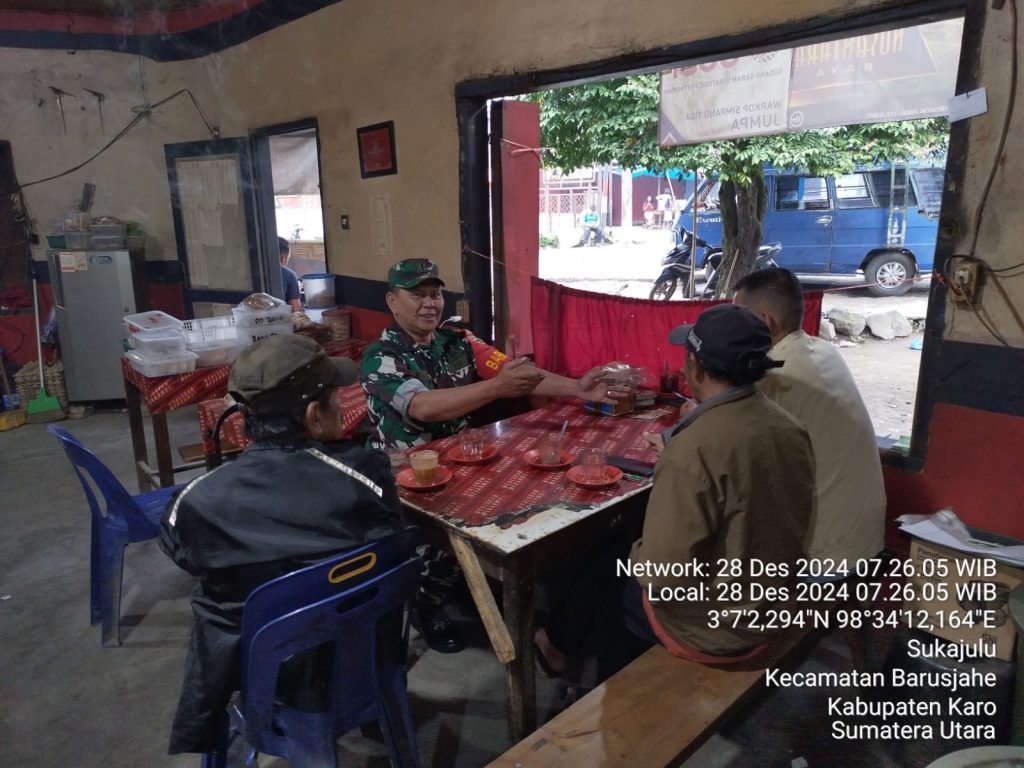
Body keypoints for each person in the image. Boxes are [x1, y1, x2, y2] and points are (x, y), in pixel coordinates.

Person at [361, 257, 632, 653]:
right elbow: (423, 407)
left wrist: (578, 389)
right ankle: (426, 603)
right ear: (392, 301)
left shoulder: (458, 341)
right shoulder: (379, 356)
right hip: (405, 477)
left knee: (538, 497)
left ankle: (507, 588)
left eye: (435, 295)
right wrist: (496, 388)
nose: (429, 304)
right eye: (417, 295)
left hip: (462, 460)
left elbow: (517, 374)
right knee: (447, 545)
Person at [535, 304, 816, 680]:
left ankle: (614, 699)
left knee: (612, 577)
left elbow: (660, 575)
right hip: (776, 604)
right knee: (614, 560)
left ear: (695, 368)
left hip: (719, 629)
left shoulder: (691, 448)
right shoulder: (790, 427)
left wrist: (637, 549)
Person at [159, 334, 404, 755]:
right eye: (334, 397)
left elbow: (184, 554)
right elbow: (393, 540)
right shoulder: (366, 476)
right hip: (359, 661)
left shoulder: (196, 501)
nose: (340, 406)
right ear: (313, 415)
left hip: (261, 677)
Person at [733, 267, 885, 569]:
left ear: (765, 321)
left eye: (737, 317)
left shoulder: (778, 376)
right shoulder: (825, 351)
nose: (732, 328)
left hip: (824, 556)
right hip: (866, 539)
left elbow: (738, 465)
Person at [278, 236, 302, 311]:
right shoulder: (289, 275)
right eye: (289, 256)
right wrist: (296, 290)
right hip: (279, 318)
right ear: (283, 257)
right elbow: (295, 310)